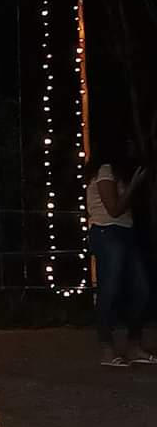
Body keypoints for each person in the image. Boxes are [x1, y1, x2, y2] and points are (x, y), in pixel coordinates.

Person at [85, 149, 154, 366]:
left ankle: (134, 345)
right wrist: (133, 186)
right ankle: (107, 348)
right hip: (107, 231)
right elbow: (113, 209)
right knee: (109, 290)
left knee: (142, 289)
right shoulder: (105, 170)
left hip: (125, 231)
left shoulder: (117, 173)